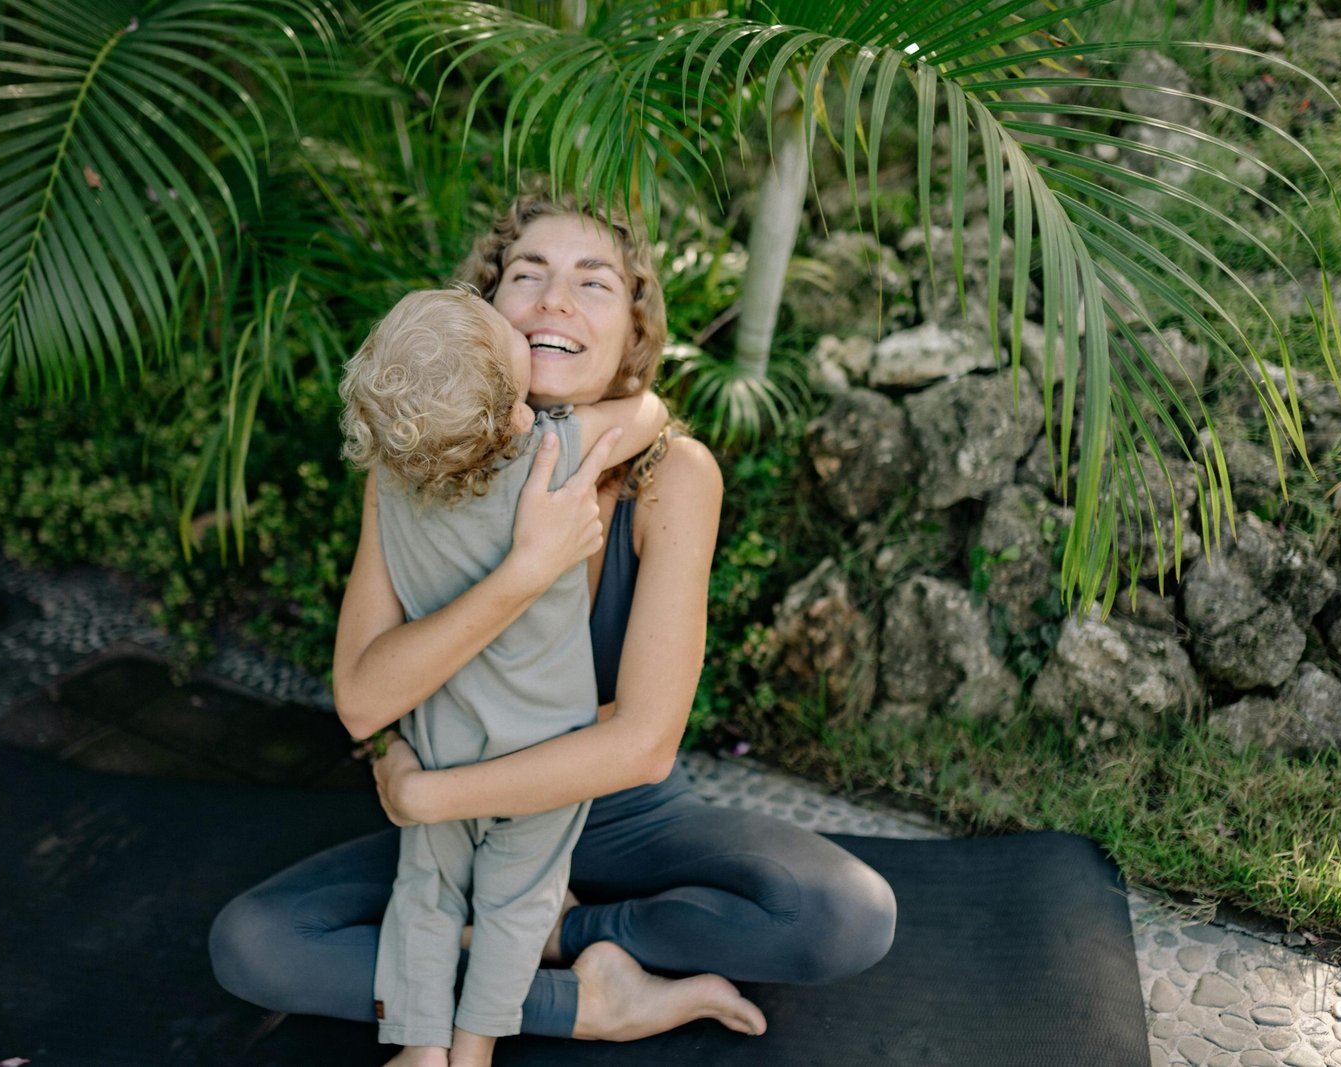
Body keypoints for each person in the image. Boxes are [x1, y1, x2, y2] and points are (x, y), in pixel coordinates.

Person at [209, 188, 897, 1060]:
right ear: (486, 314)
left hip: (618, 813)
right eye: (526, 275)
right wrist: (525, 570)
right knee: (256, 943)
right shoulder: (409, 464)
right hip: (459, 826)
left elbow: (643, 745)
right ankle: (581, 1003)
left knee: (842, 914)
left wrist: (426, 793)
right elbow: (360, 697)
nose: (554, 301)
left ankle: (563, 938)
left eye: (593, 283)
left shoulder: (673, 475)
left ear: (633, 333)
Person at [337, 287, 667, 1066]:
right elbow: (647, 413)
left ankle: (421, 1051)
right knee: (518, 908)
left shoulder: (396, 485)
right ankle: (476, 1046)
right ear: (514, 414)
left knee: (424, 894)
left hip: (440, 739)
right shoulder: (546, 458)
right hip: (543, 756)